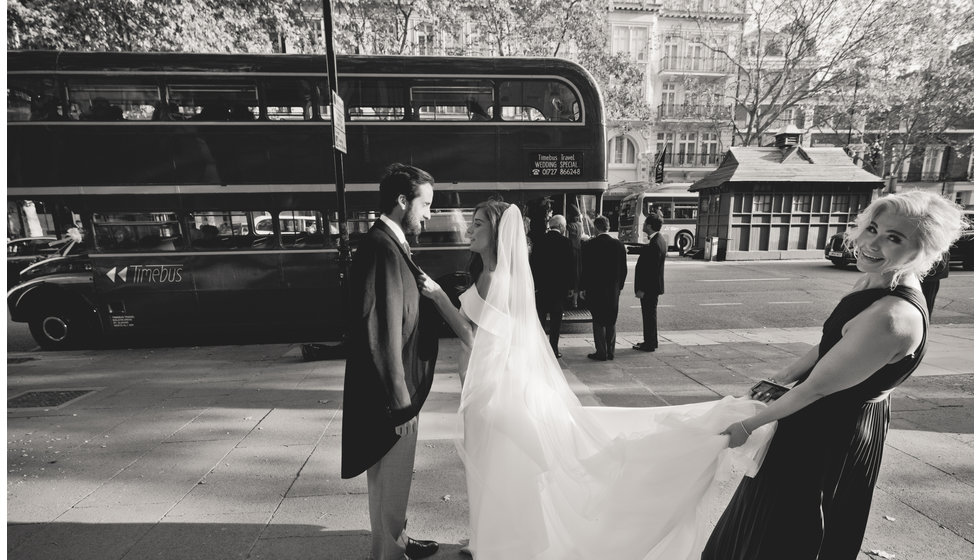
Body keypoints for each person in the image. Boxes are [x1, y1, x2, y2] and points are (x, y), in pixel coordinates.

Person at [418, 202, 774, 560]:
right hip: (485, 386)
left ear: (495, 233)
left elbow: (474, 339)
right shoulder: (488, 274)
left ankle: (498, 543)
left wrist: (437, 296)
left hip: (496, 391)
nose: (469, 229)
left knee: (500, 466)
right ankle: (487, 538)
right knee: (494, 467)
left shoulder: (498, 279)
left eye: (477, 224)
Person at [703, 191, 968, 560]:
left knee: (789, 527)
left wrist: (748, 425)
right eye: (872, 228)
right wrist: (780, 376)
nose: (870, 244)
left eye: (894, 238)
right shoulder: (880, 280)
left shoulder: (891, 317)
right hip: (829, 415)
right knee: (773, 517)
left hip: (828, 429)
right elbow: (830, 345)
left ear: (923, 249)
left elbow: (815, 390)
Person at [341, 163, 440, 560]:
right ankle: (390, 552)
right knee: (392, 477)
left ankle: (391, 540)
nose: (430, 214)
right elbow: (380, 331)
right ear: (403, 201)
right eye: (426, 204)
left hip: (388, 390)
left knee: (386, 478)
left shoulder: (387, 242)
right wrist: (401, 401)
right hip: (391, 395)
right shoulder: (383, 247)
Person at [581, 215, 627, 361]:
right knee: (611, 320)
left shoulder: (590, 245)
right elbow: (623, 270)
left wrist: (583, 288)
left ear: (596, 228)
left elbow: (586, 270)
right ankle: (611, 351)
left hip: (596, 289)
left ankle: (601, 351)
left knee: (598, 321)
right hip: (613, 289)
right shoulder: (619, 245)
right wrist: (619, 287)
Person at [530, 214, 575, 358]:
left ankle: (540, 349)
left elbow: (534, 265)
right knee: (556, 322)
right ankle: (553, 350)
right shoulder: (566, 242)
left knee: (541, 320)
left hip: (542, 288)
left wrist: (535, 285)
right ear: (561, 227)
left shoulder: (539, 241)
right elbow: (570, 267)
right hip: (558, 290)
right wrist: (570, 288)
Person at [634, 214, 667, 352]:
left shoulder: (655, 244)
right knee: (650, 315)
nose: (643, 225)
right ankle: (651, 341)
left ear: (649, 225)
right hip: (654, 287)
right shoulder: (659, 240)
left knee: (648, 316)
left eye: (645, 223)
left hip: (650, 288)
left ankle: (649, 343)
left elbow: (650, 271)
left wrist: (642, 289)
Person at [920, 251, 949, 317]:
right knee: (926, 304)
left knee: (925, 304)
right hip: (928, 272)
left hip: (928, 273)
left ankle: (923, 323)